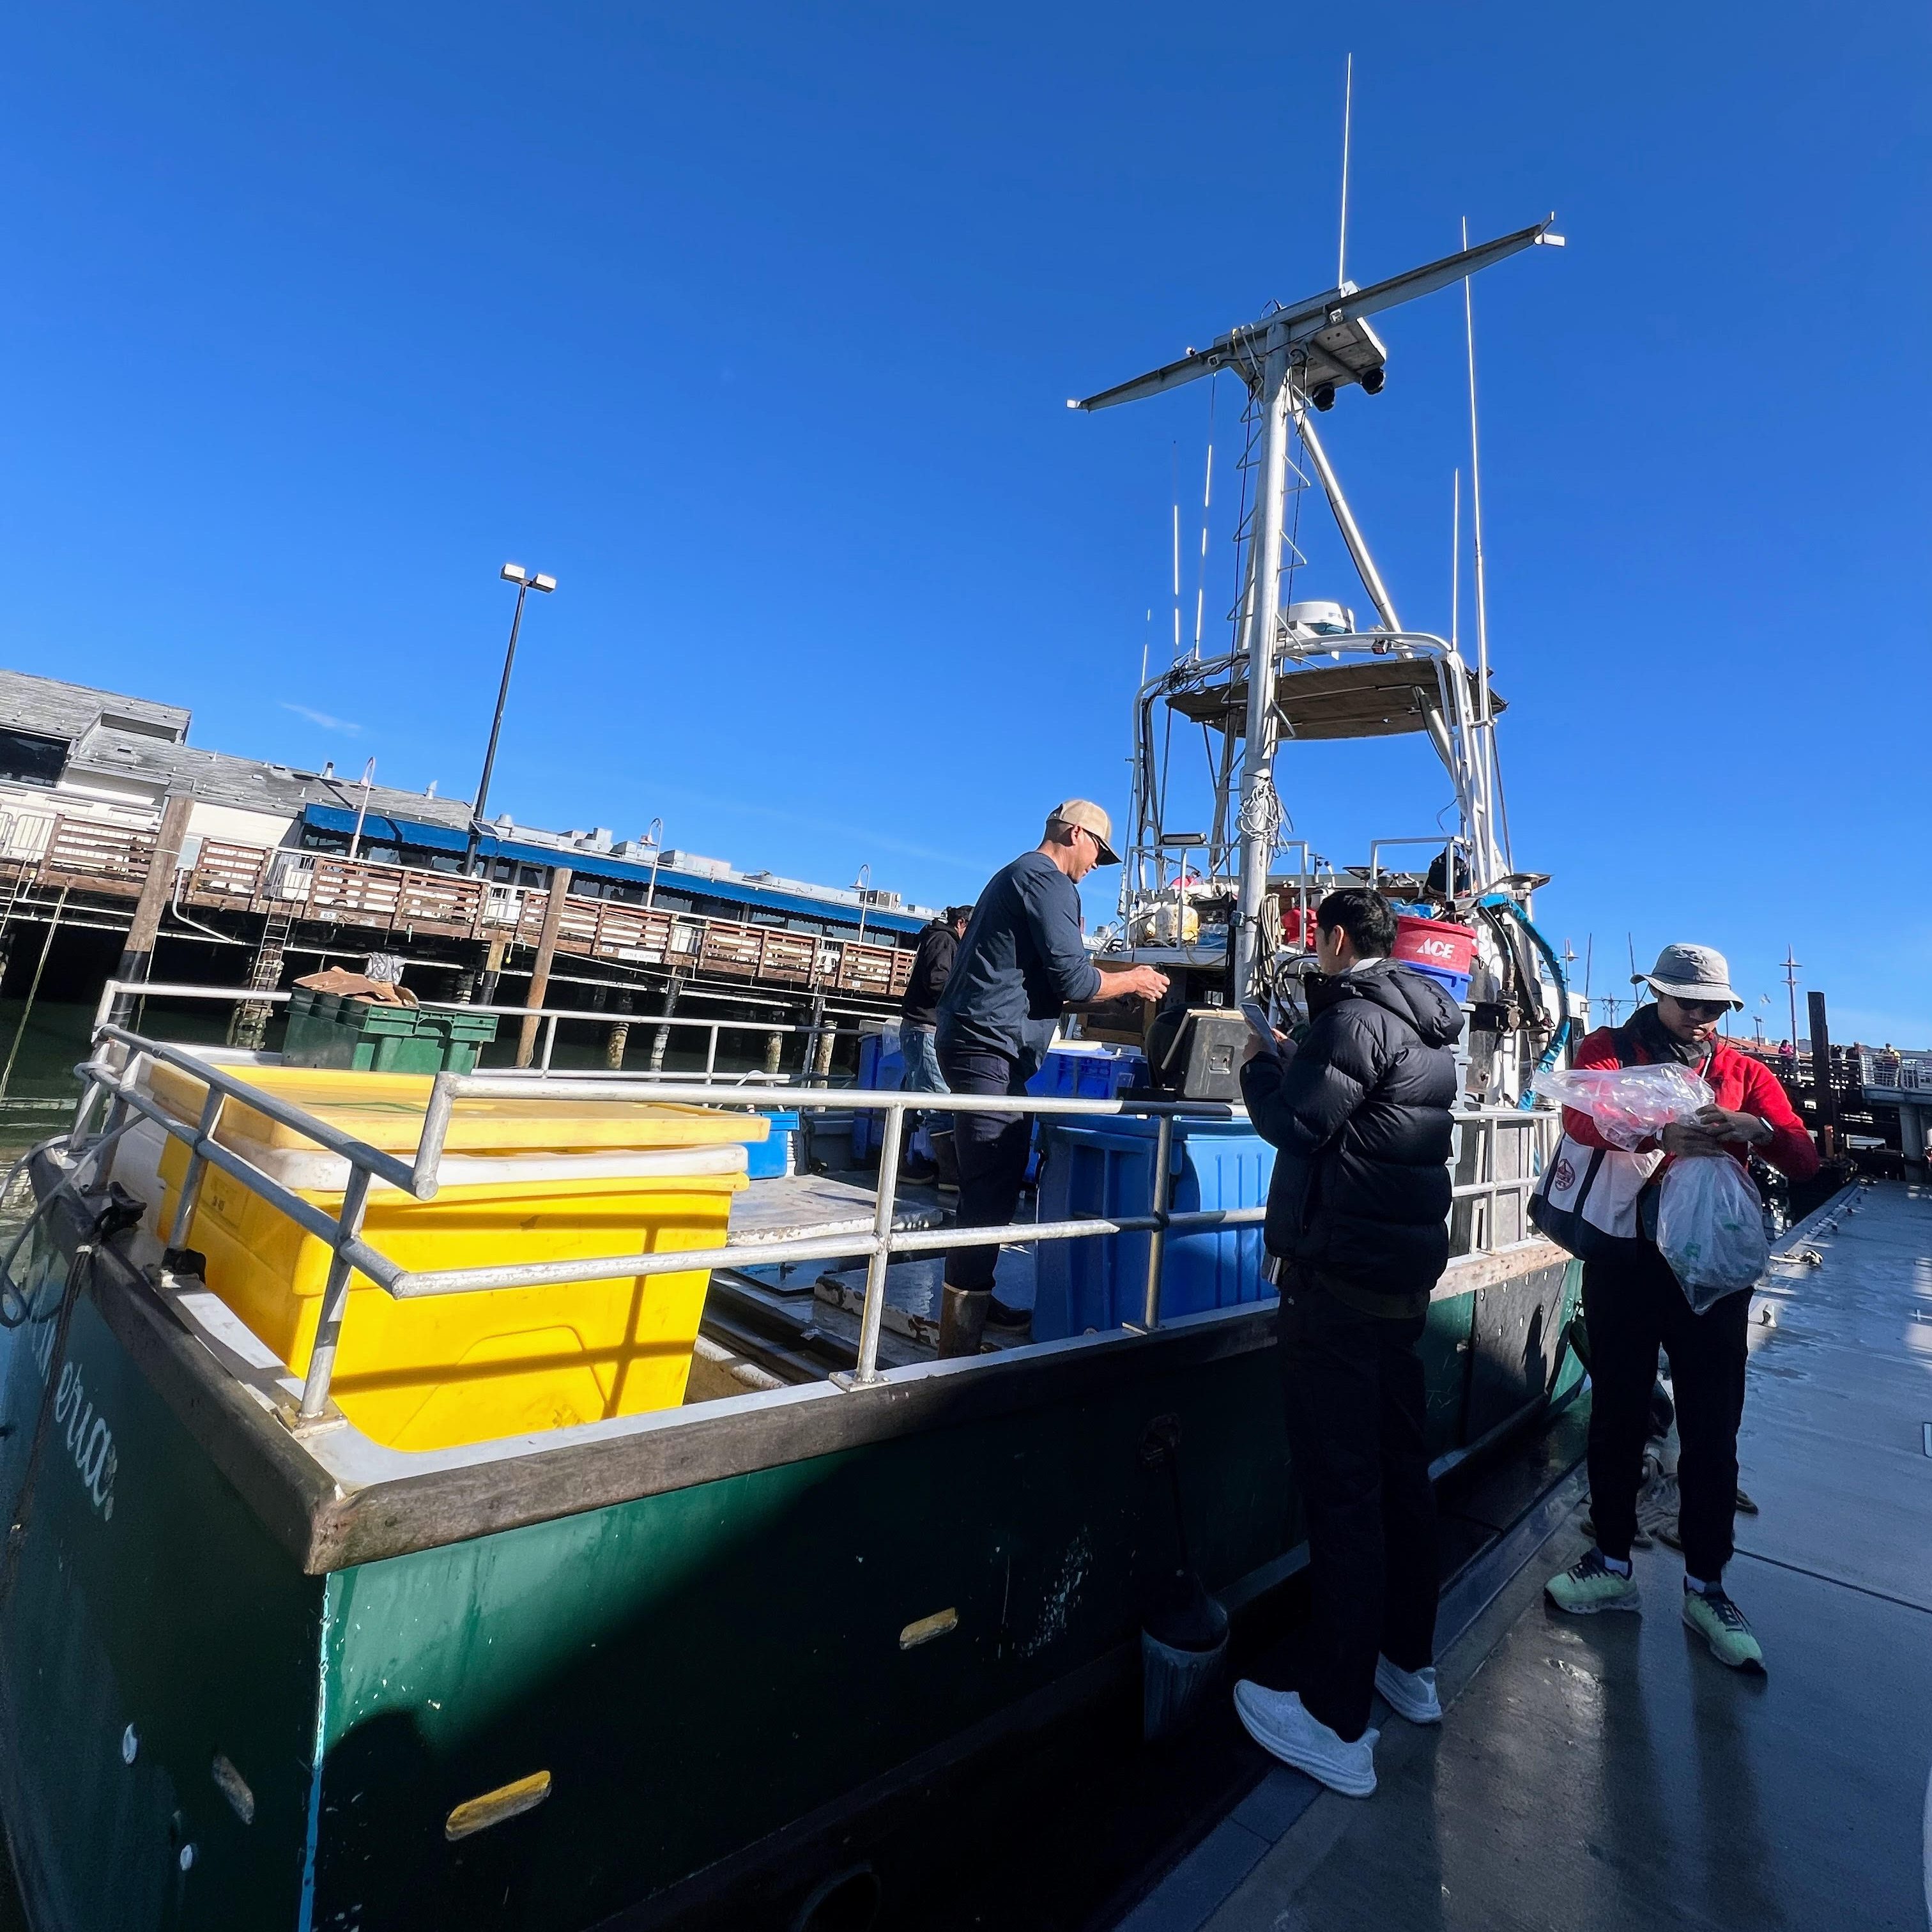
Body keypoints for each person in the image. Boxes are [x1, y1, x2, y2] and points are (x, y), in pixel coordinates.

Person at [1230, 887, 1464, 1800]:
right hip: (1400, 1291)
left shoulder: (1354, 1021)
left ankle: (1333, 1718)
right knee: (1402, 1476)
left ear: (1331, 940)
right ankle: (1408, 1665)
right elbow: (1369, 1127)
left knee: (1345, 1491)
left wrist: (1261, 1064)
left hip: (1336, 1294)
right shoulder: (1428, 1030)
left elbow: (1297, 1124)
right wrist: (1304, 1062)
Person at [1544, 943, 1817, 1672]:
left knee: (1712, 1426)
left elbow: (1803, 1156)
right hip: (1627, 1263)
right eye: (1689, 1004)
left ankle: (1708, 1584)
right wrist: (1655, 1132)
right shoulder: (1609, 1048)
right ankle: (1609, 1560)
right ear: (1657, 995)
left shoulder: (1745, 1073)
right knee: (1618, 1417)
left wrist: (1757, 1130)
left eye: (1715, 1008)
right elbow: (1582, 1115)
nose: (1702, 1019)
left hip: (1713, 1272)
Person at [933, 801, 1169, 1356]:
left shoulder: (1015, 876)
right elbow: (1075, 978)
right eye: (1098, 852)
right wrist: (1133, 978)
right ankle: (958, 1335)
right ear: (1074, 833)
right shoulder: (1048, 881)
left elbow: (1052, 978)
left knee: (993, 1171)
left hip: (981, 1043)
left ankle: (974, 1296)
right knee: (991, 1178)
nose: (1097, 864)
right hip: (987, 1046)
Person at [898, 904, 974, 1190]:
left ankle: (898, 1165)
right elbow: (937, 981)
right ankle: (951, 1176)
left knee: (910, 1100)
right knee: (937, 1099)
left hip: (919, 1028)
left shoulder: (937, 938)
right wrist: (965, 1000)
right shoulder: (944, 940)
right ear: (962, 924)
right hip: (926, 1029)